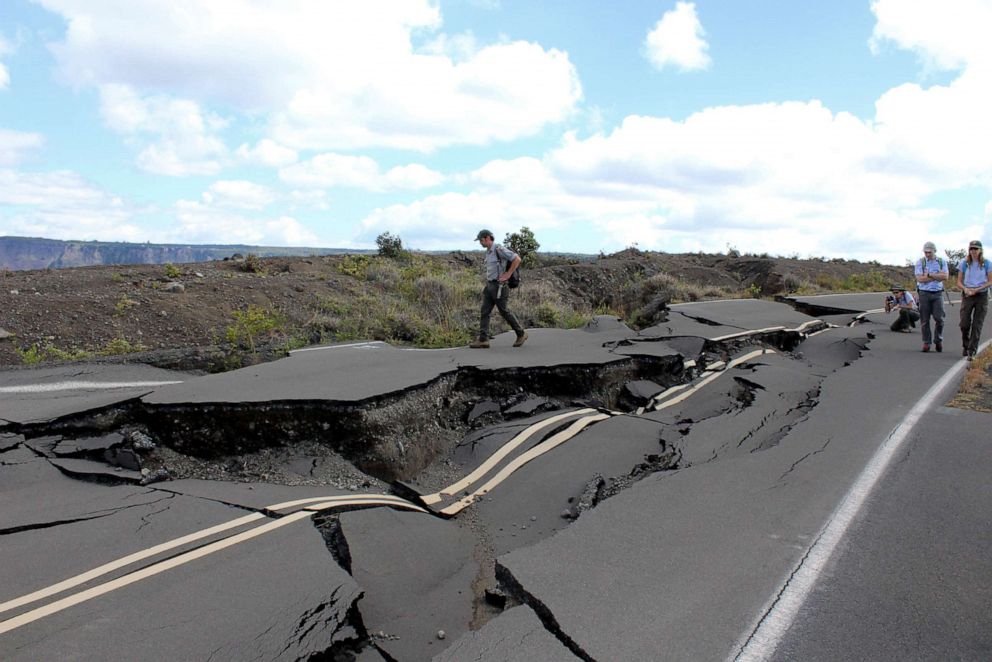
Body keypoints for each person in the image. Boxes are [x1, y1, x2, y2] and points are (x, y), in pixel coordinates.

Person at [469, 229, 527, 349]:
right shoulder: (489, 251)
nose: (480, 243)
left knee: (504, 311)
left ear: (487, 238)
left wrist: (508, 274)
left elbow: (517, 259)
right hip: (490, 285)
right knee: (485, 311)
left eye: (481, 240)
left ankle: (521, 333)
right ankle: (483, 340)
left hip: (499, 287)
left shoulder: (499, 249)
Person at [956, 239, 991, 360]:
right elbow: (959, 281)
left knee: (977, 323)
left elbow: (990, 281)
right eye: (971, 249)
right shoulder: (964, 263)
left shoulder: (986, 263)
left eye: (975, 249)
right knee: (964, 323)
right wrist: (965, 289)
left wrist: (978, 289)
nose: (973, 251)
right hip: (968, 293)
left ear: (980, 250)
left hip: (981, 294)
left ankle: (972, 350)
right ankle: (966, 344)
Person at [914, 240, 948, 352]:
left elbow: (945, 276)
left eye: (929, 252)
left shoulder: (941, 261)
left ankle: (938, 340)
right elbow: (920, 279)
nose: (927, 254)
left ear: (934, 251)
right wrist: (937, 276)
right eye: (926, 252)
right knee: (924, 320)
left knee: (939, 318)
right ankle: (926, 343)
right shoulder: (920, 262)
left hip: (937, 293)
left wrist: (929, 275)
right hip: (924, 293)